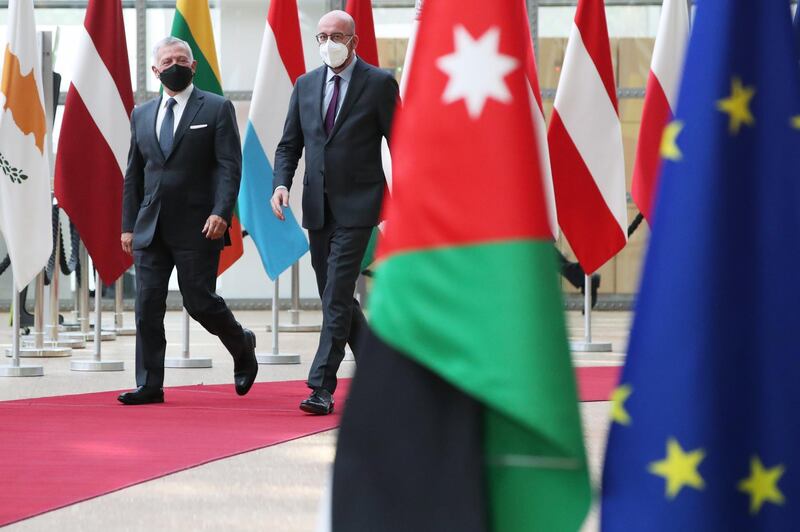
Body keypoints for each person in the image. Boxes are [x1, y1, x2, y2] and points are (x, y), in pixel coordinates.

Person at [271, 10, 399, 415]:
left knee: (338, 291)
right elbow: (289, 144)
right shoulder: (305, 85)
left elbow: (403, 142)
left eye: (337, 35)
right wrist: (280, 185)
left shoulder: (379, 84)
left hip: (360, 206)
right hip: (317, 207)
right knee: (336, 298)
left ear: (354, 41)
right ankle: (381, 372)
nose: (329, 43)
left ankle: (321, 386)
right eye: (323, 36)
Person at [118, 36, 258, 405]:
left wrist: (221, 212)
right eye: (167, 61)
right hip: (151, 226)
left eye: (181, 59)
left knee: (199, 301)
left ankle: (241, 343)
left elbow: (230, 166)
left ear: (193, 66)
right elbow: (134, 173)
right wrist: (128, 225)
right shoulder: (141, 114)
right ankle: (149, 384)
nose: (174, 65)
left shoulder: (216, 108)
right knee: (147, 304)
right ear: (155, 70)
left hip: (200, 224)